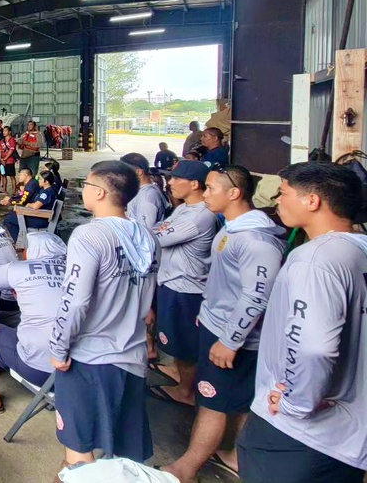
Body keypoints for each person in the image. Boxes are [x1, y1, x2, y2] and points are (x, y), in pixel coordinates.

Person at [236, 162, 367, 483]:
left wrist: (296, 403)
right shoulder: (359, 249)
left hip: (300, 435)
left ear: (313, 201)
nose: (277, 201)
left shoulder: (315, 260)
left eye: (284, 193)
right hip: (348, 435)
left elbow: (313, 348)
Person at [161, 165, 287, 483]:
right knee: (235, 399)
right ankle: (236, 457)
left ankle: (186, 468)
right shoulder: (231, 228)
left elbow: (257, 296)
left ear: (234, 193)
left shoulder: (256, 240)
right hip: (220, 325)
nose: (204, 195)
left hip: (235, 336)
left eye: (210, 189)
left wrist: (231, 339)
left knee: (212, 401)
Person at [49, 161, 158, 466]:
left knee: (79, 450)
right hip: (132, 357)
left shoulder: (89, 236)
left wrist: (58, 348)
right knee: (123, 452)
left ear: (99, 192)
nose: (83, 189)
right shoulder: (148, 239)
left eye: (86, 184)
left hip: (90, 358)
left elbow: (75, 301)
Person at [0, 228, 67, 413]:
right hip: (83, 370)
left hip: (42, 371)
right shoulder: (78, 272)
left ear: (31, 251)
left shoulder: (19, 268)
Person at [151, 160, 220, 407]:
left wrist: (157, 230)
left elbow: (156, 235)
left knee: (186, 344)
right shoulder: (184, 208)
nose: (169, 183)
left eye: (176, 179)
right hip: (173, 283)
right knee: (176, 340)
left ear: (194, 184)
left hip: (186, 289)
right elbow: (160, 227)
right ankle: (179, 373)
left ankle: (186, 391)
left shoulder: (199, 216)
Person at [1, 168, 56, 245]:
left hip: (41, 219)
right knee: (12, 215)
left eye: (40, 179)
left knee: (8, 219)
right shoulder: (47, 189)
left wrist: (28, 205)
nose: (38, 181)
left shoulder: (46, 193)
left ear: (46, 182)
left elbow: (36, 206)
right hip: (41, 216)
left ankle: (21, 243)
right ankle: (22, 240)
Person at [122, 153, 168, 232]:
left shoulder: (146, 198)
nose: (121, 176)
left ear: (138, 172)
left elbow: (145, 233)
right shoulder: (149, 189)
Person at [0, 126, 18, 195]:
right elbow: (0, 150)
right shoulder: (2, 140)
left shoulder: (12, 140)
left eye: (6, 131)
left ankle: (14, 191)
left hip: (10, 161)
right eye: (3, 131)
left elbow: (11, 150)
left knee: (12, 176)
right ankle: (4, 189)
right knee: (3, 175)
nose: (4, 132)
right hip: (2, 161)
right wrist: (1, 159)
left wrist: (5, 159)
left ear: (9, 132)